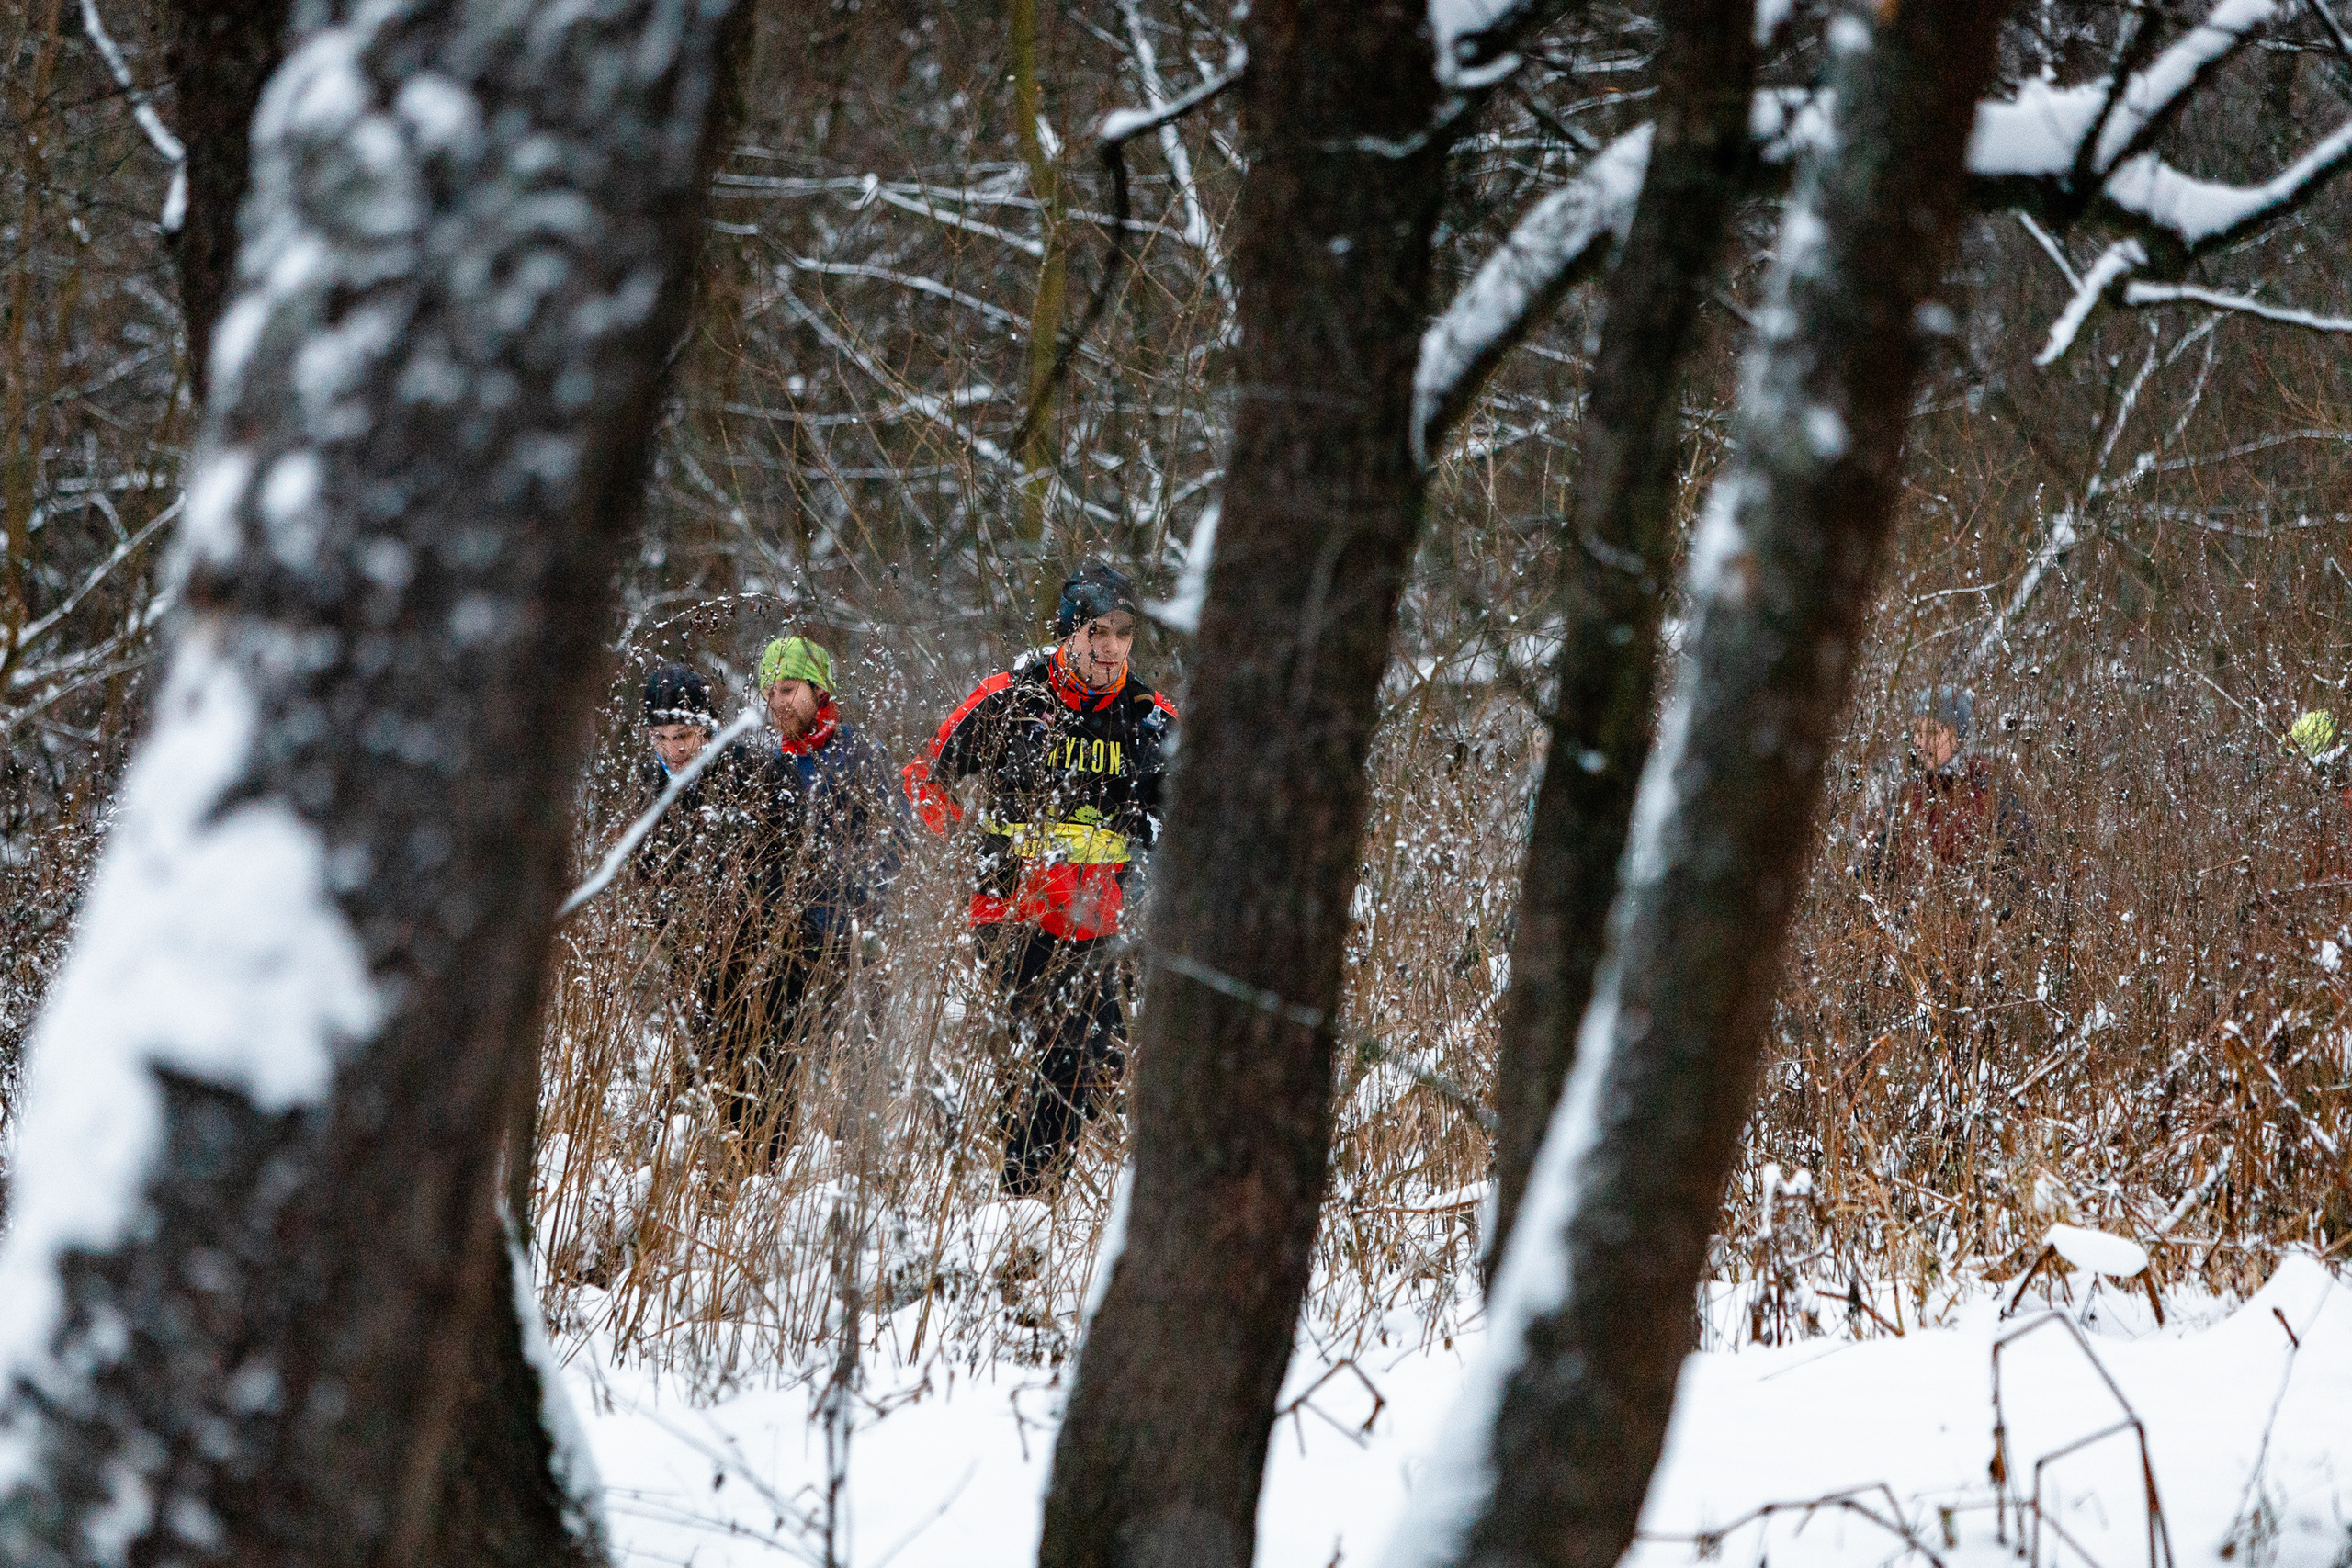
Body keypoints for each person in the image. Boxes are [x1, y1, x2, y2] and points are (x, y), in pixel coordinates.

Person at [903, 562, 1178, 1197]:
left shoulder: (1150, 720)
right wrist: (965, 842)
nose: (1109, 648)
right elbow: (922, 774)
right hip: (1010, 912)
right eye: (1095, 632)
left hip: (1097, 921)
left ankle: (1023, 1181)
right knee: (1068, 1046)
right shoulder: (1013, 697)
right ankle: (1026, 1195)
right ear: (1066, 635)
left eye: (1122, 634)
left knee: (1097, 1058)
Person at [1864, 684, 2035, 910]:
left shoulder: (1987, 788)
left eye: (1934, 732)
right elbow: (1877, 865)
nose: (1921, 742)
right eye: (1918, 731)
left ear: (1958, 736)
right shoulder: (1910, 791)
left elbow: (2027, 867)